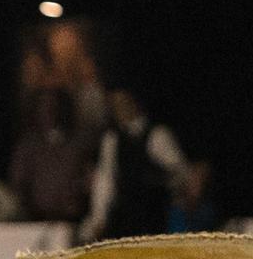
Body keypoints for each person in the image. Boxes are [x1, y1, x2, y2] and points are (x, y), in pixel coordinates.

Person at [80, 89, 187, 242]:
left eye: (125, 103)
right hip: (125, 215)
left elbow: (179, 171)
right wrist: (99, 218)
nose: (120, 109)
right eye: (116, 105)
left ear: (136, 103)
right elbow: (106, 180)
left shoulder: (157, 135)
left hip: (155, 214)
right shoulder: (112, 139)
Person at [9, 89, 92, 223]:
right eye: (45, 106)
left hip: (71, 220)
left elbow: (89, 180)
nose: (50, 112)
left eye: (54, 106)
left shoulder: (80, 145)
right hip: (36, 221)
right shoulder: (28, 146)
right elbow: (18, 183)